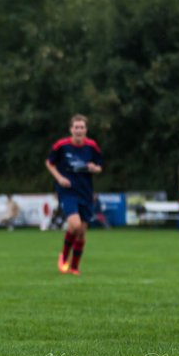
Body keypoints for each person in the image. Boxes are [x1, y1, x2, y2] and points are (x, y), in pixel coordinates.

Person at [45, 114, 103, 275]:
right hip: (67, 191)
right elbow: (49, 163)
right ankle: (63, 256)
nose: (79, 130)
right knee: (75, 225)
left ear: (86, 130)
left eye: (82, 127)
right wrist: (59, 178)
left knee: (82, 232)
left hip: (85, 192)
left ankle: (74, 267)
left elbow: (99, 167)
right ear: (71, 129)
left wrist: (94, 168)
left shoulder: (92, 146)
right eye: (76, 127)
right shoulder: (61, 145)